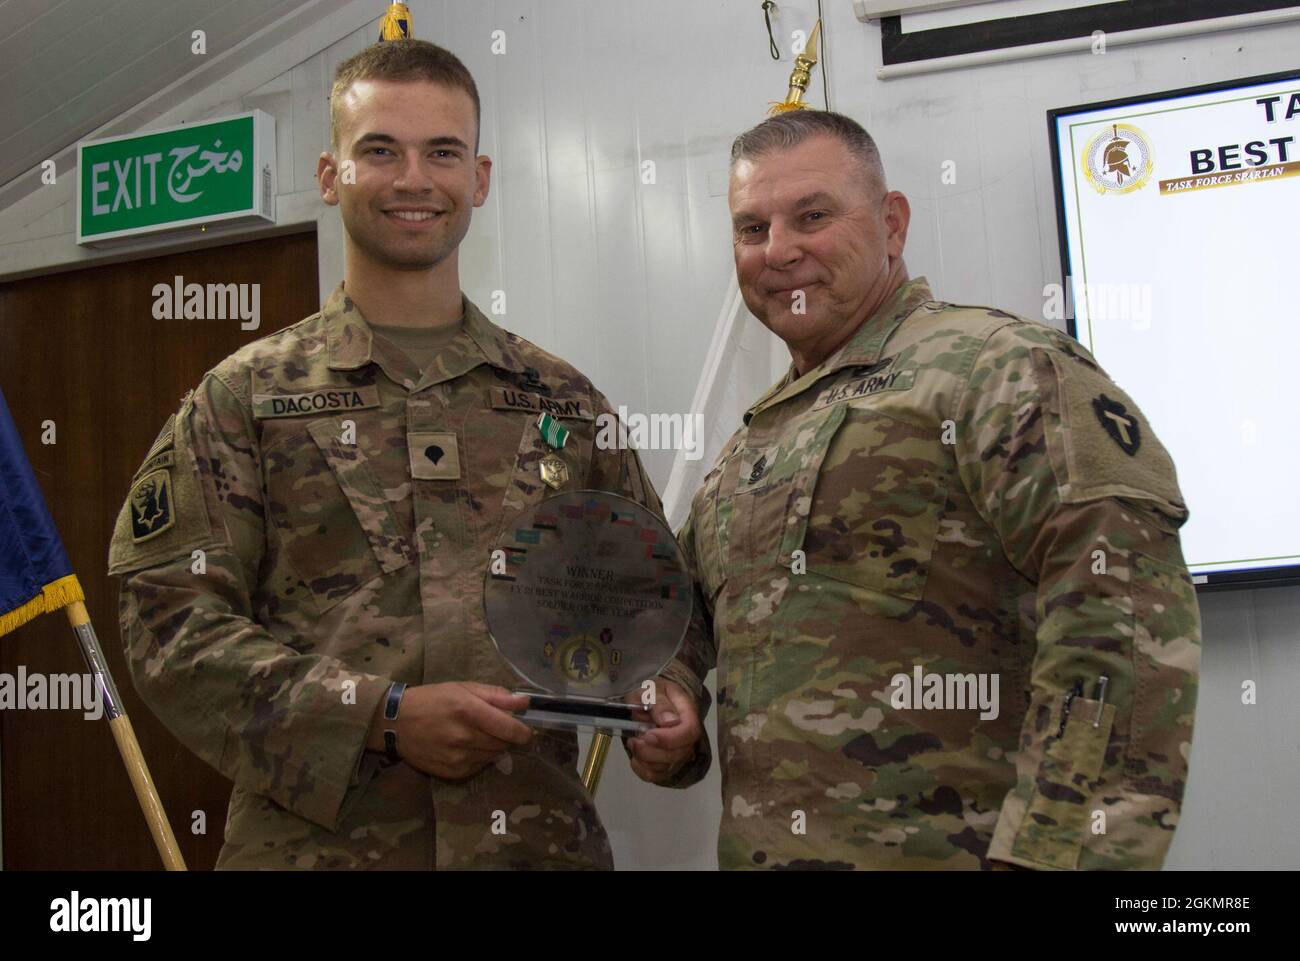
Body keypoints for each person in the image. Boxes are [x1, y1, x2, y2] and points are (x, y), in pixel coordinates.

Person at [108, 39, 708, 870]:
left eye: (442, 153)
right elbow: (169, 625)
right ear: (330, 175)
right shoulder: (245, 398)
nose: (414, 179)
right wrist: (378, 716)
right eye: (379, 151)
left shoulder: (561, 401)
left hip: (533, 844)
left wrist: (671, 693)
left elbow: (654, 596)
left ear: (481, 178)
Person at [638, 109, 1200, 871]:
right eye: (751, 229)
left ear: (892, 223)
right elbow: (677, 614)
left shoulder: (997, 371)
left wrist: (1059, 856)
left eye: (812, 216)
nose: (779, 251)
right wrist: (667, 699)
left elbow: (1126, 622)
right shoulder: (750, 450)